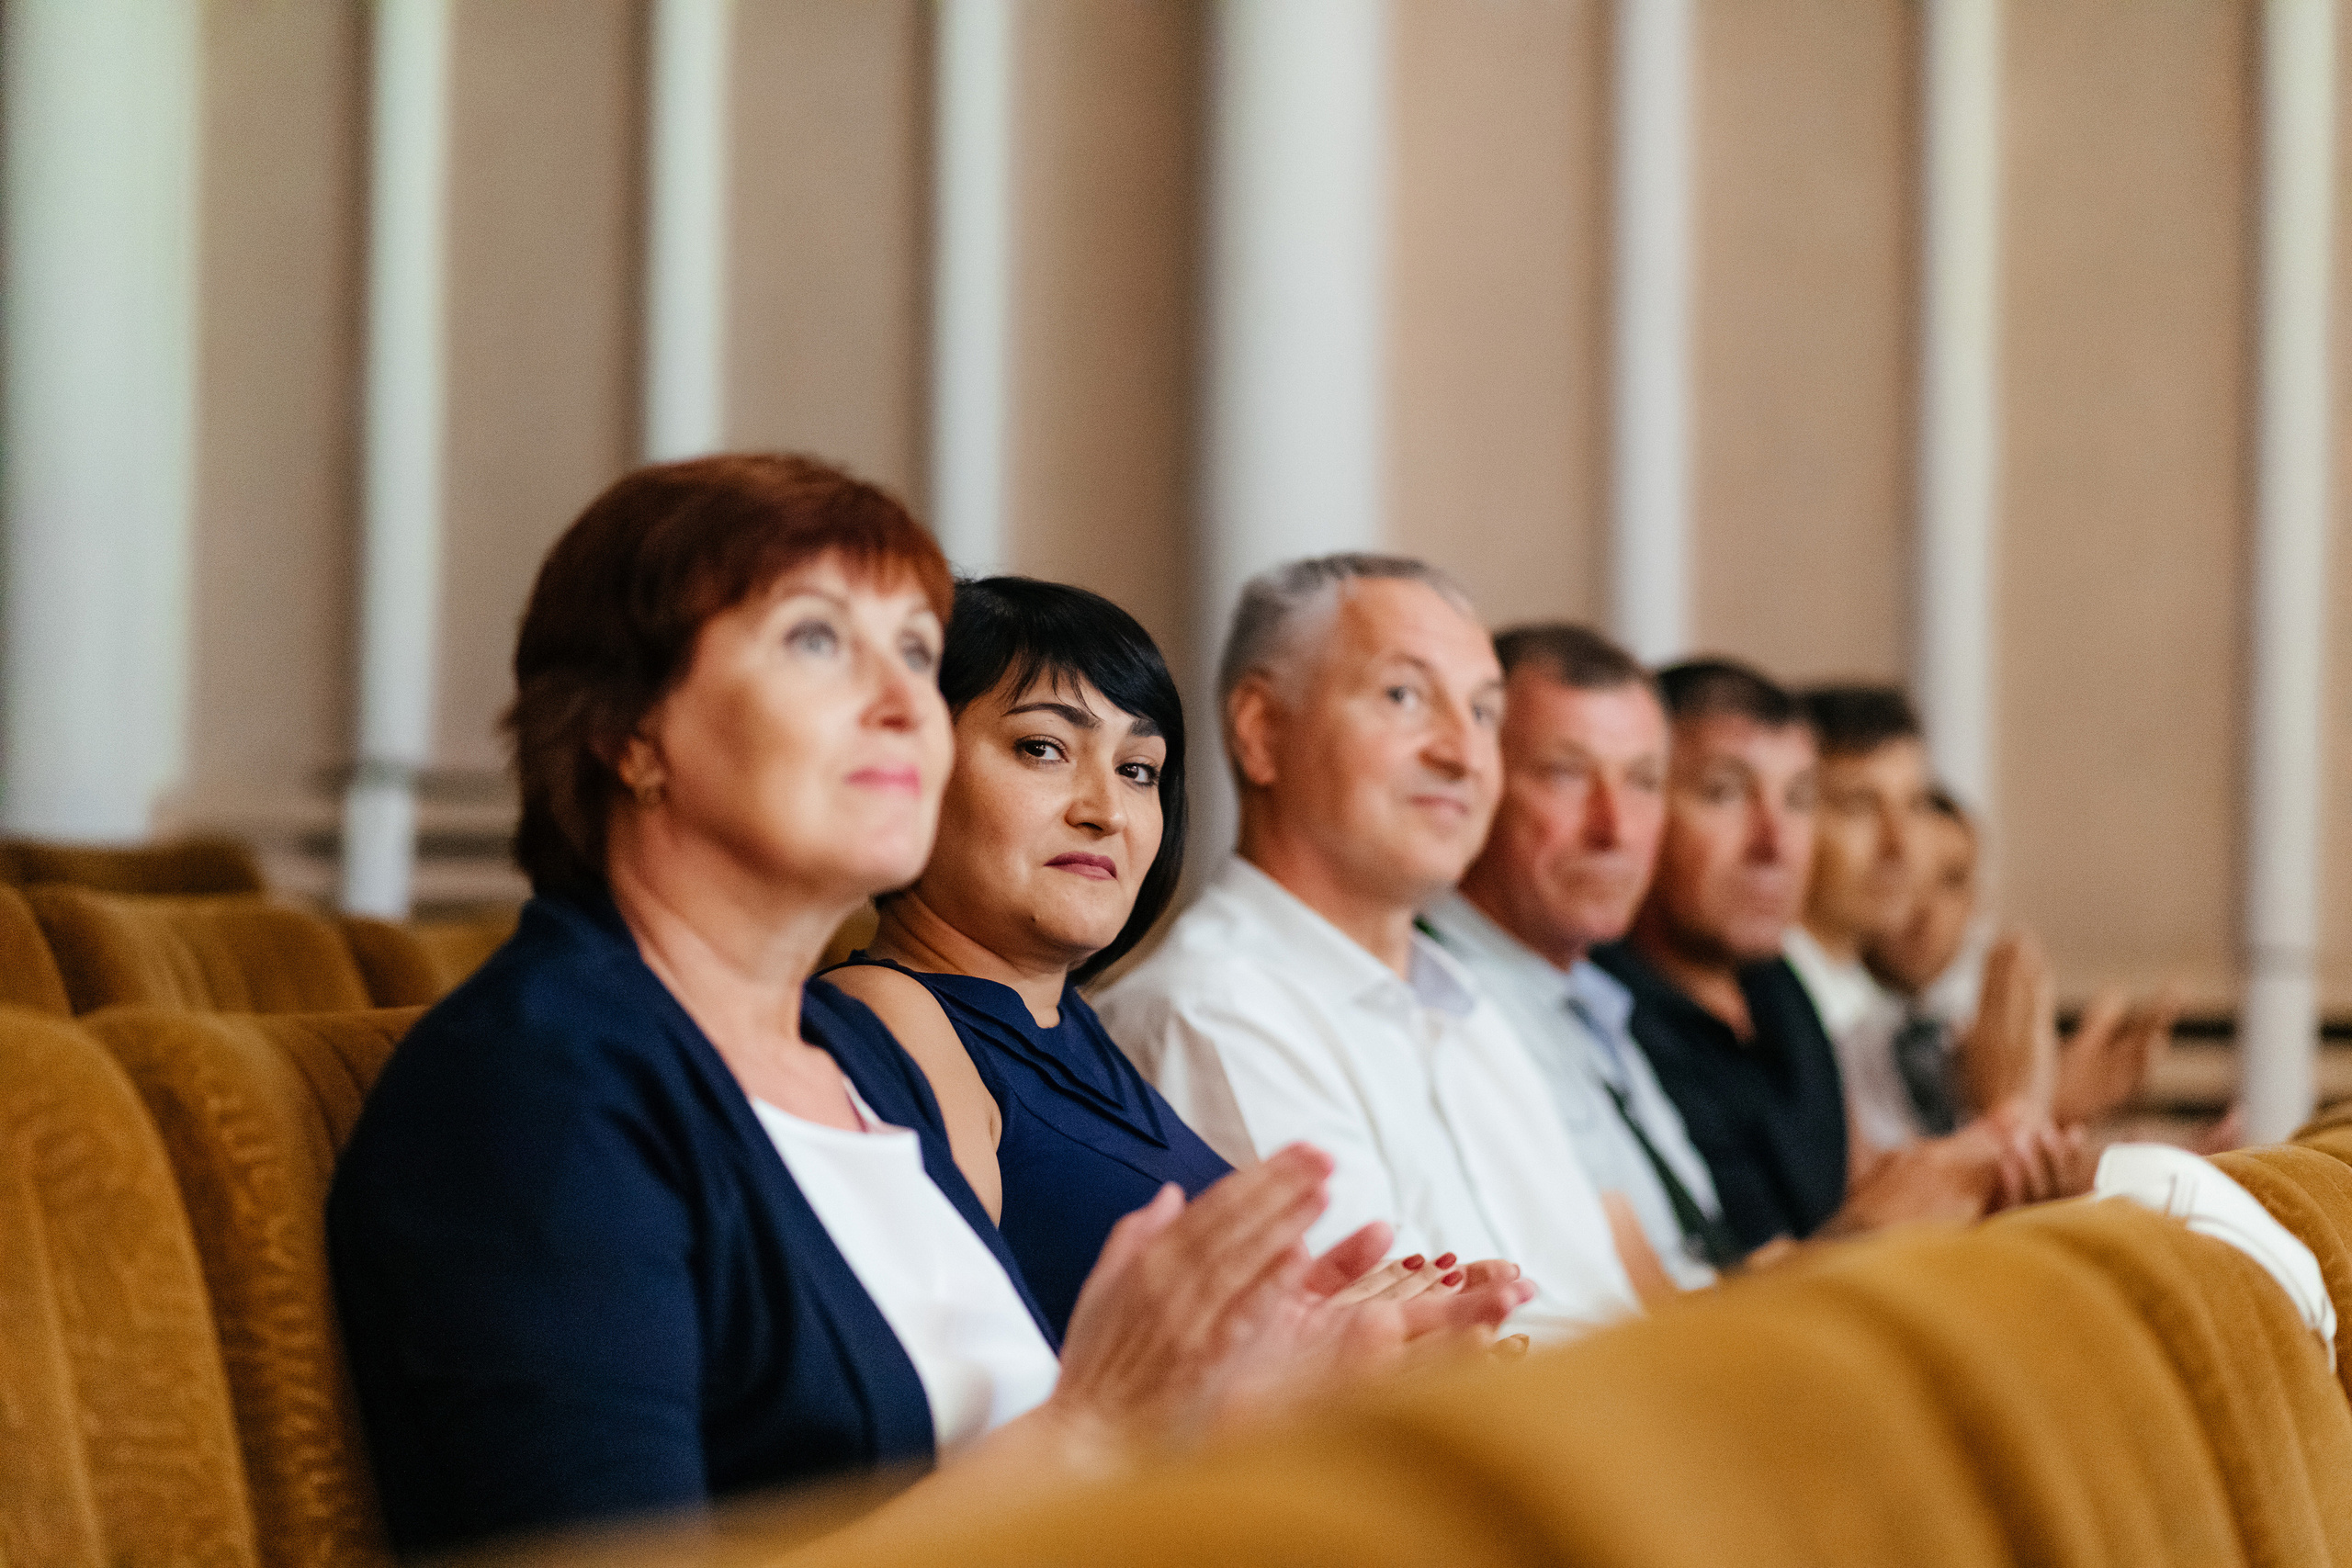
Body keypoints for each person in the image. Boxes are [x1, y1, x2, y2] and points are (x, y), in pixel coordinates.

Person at [327, 457, 1526, 1558]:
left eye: (911, 651)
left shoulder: (847, 1071)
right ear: (629, 732)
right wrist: (1099, 1424)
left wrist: (1241, 1391)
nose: (904, 702)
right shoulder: (544, 1084)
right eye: (815, 640)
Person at [827, 579, 1459, 1335]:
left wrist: (1314, 1335)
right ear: (911, 766)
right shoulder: (887, 1013)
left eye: (1138, 770)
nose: (1105, 810)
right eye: (1043, 748)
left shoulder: (1068, 1022)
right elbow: (959, 1393)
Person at [1099, 554, 1639, 1341]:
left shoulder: (1468, 1000)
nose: (1463, 752)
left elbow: (1602, 1303)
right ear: (1262, 730)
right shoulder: (1211, 1008)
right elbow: (1402, 1369)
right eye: (1405, 696)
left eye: (1485, 713)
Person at [1591, 660, 2079, 1256]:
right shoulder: (1604, 1010)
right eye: (1724, 793)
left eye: (1798, 799)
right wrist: (2007, 1118)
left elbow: (1873, 1184)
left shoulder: (1777, 987)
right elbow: (1721, 1298)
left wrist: (2023, 1146)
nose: (1772, 844)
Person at [1425, 624, 1735, 1292]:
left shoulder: (1593, 992)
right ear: (1480, 781)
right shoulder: (1437, 999)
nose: (1615, 829)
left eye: (1644, 781)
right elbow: (1637, 1307)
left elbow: (1689, 1263)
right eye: (1566, 774)